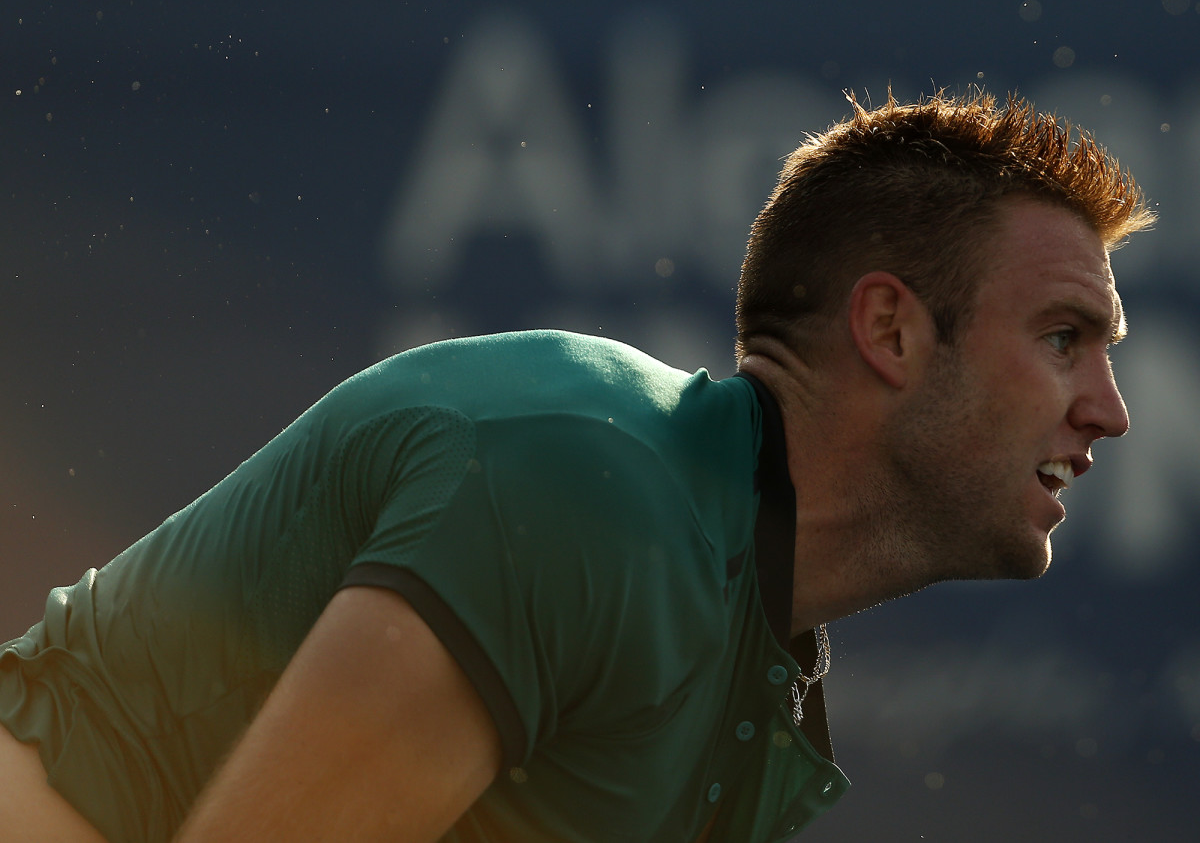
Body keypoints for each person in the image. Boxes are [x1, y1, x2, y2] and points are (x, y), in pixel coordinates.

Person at [0, 89, 1152, 843]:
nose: (1110, 412)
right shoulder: (582, 480)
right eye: (1063, 338)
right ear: (892, 332)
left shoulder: (759, 692)